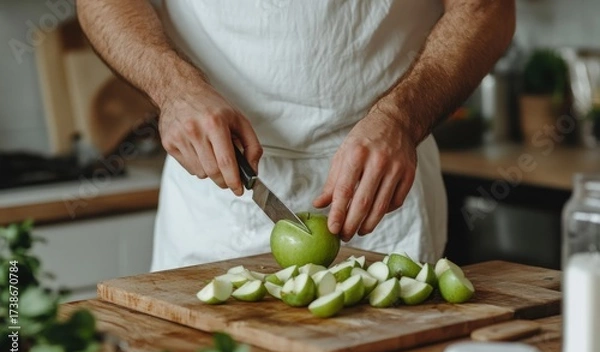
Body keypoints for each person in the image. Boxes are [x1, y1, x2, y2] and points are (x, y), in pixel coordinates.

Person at [77, 1, 515, 271]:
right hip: (213, 189)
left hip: (384, 187)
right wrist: (174, 90)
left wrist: (402, 119)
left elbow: (485, 8)